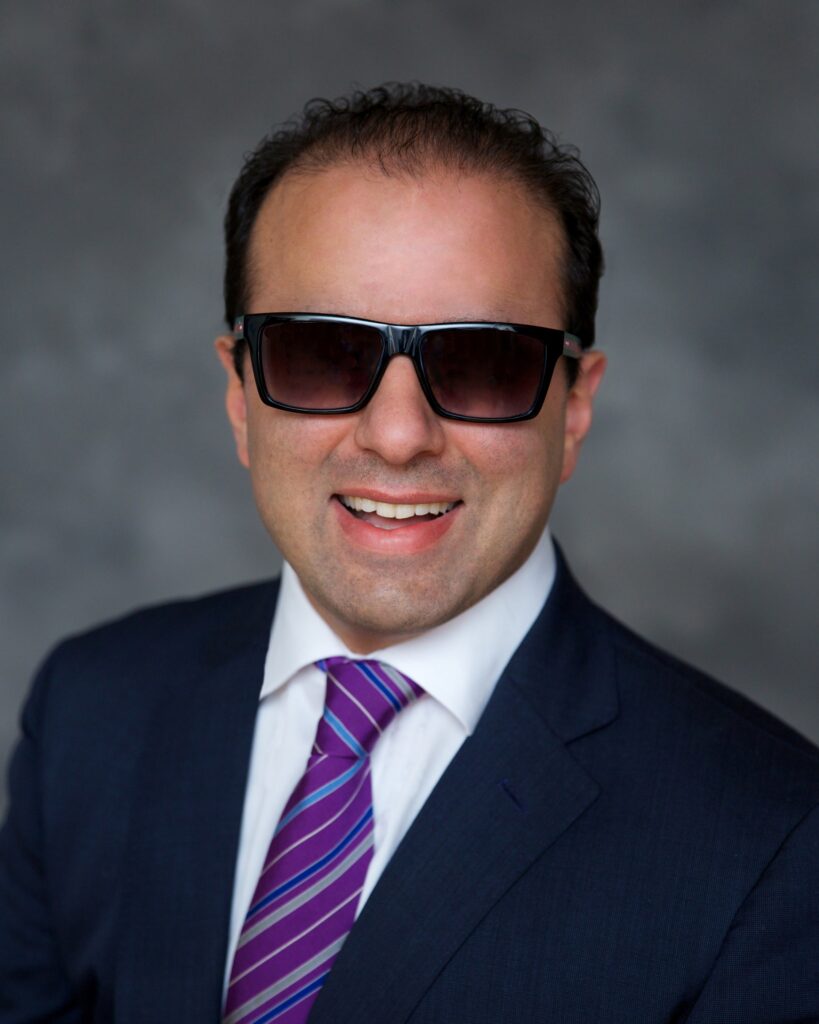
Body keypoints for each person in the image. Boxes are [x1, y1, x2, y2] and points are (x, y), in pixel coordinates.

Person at [1, 83, 817, 1024]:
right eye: (320, 353)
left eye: (481, 362)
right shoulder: (90, 712)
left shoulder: (773, 844)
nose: (396, 435)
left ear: (574, 406)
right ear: (239, 395)